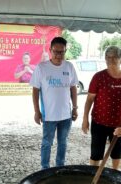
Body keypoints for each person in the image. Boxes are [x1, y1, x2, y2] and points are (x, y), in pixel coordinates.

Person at [82, 46, 121, 170]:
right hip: (99, 122)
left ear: (120, 59)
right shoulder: (98, 77)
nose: (111, 59)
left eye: (114, 57)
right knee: (96, 154)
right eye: (108, 57)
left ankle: (114, 176)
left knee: (116, 154)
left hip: (119, 124)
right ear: (105, 59)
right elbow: (89, 99)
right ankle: (94, 176)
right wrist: (85, 119)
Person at [30, 37, 78, 169]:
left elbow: (73, 88)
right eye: (55, 52)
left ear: (65, 51)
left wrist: (75, 108)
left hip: (66, 115)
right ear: (50, 50)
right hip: (49, 116)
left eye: (61, 52)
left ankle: (60, 166)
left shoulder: (69, 67)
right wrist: (36, 111)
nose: (58, 55)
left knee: (63, 143)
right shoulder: (41, 68)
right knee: (47, 143)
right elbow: (35, 90)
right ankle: (45, 168)